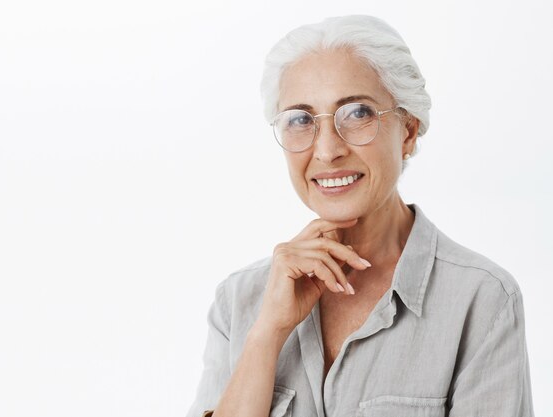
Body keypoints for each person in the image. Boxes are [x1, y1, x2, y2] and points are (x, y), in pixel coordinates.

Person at [186, 15, 534, 417]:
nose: (327, 150)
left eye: (356, 113)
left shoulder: (481, 300)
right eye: (300, 120)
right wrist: (266, 335)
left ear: (407, 130)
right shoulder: (239, 300)